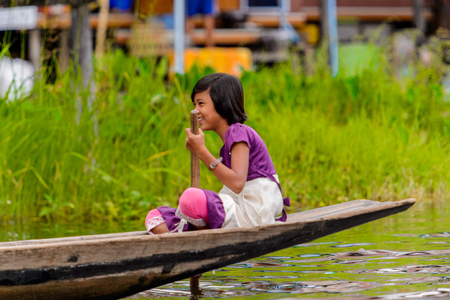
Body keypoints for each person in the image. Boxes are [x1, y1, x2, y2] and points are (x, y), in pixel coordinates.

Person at [145, 73, 290, 234]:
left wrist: (201, 151)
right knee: (157, 217)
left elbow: (237, 183)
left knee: (190, 198)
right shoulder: (228, 142)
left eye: (201, 104)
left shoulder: (238, 132)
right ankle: (195, 239)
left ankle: (206, 239)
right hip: (238, 207)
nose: (195, 111)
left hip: (253, 211)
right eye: (194, 104)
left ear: (222, 103)